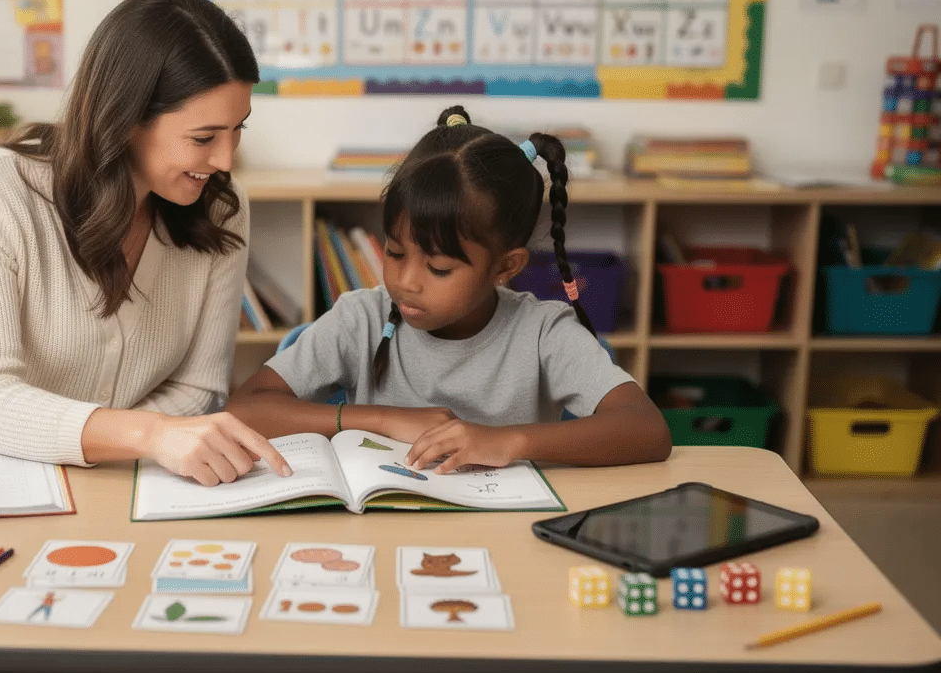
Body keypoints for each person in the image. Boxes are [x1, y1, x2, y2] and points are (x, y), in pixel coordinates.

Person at [0, 0, 291, 487]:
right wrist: (147, 434)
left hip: (112, 475)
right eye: (203, 138)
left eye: (238, 129)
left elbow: (200, 390)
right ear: (126, 119)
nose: (225, 161)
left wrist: (60, 435)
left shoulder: (220, 206)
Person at [226, 106, 671, 473]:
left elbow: (646, 429)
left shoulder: (542, 332)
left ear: (505, 266)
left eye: (438, 268)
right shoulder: (361, 318)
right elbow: (245, 408)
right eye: (395, 253)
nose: (406, 281)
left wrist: (505, 441)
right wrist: (380, 419)